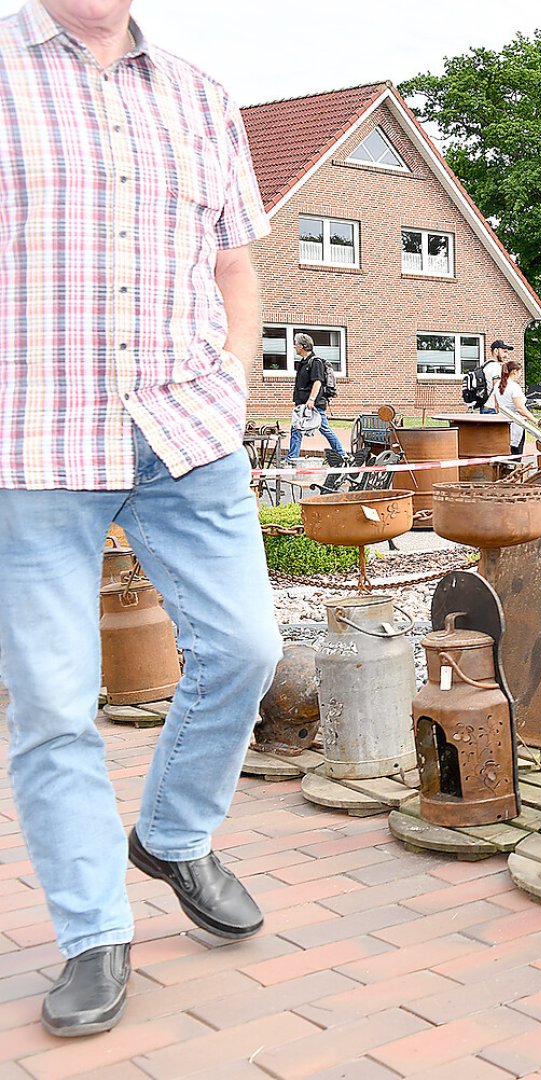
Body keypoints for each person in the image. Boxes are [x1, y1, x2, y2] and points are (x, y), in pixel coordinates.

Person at [0, 0, 284, 1038]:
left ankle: (171, 833)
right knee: (56, 704)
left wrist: (237, 383)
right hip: (30, 442)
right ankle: (92, 934)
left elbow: (234, 265)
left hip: (184, 430)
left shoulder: (203, 98)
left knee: (248, 645)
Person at [280, 333, 344, 465]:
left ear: (302, 346)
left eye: (296, 344)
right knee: (296, 429)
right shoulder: (303, 363)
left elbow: (317, 382)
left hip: (313, 404)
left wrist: (311, 400)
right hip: (302, 403)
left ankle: (342, 454)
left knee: (324, 428)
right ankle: (292, 458)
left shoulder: (315, 362)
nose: (294, 346)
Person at [490, 359, 539, 456]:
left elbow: (497, 406)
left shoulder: (497, 385)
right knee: (515, 455)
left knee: (503, 454)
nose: (520, 374)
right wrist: (534, 420)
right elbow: (520, 408)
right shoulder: (514, 387)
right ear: (514, 372)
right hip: (516, 424)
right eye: (520, 372)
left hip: (502, 424)